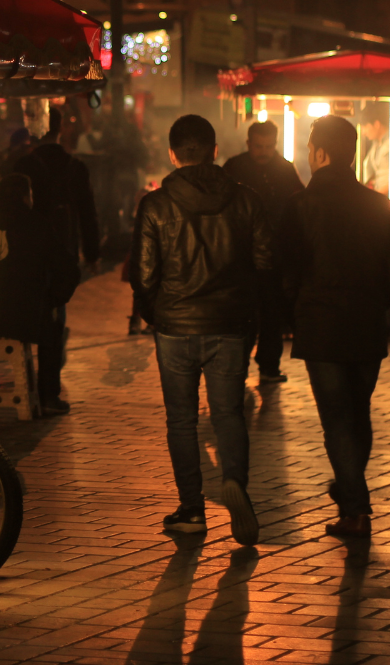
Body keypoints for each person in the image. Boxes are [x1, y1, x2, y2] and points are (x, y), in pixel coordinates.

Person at [129, 114, 270, 545]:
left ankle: (191, 509)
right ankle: (235, 483)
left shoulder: (155, 205)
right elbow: (266, 263)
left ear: (173, 154)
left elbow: (144, 274)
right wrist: (247, 310)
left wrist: (156, 315)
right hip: (230, 324)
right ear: (215, 151)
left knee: (182, 420)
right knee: (228, 413)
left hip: (175, 326)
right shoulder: (246, 200)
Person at [276, 115, 390, 538]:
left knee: (337, 419)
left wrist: (295, 309)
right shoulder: (378, 205)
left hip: (321, 323)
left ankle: (356, 505)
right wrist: (378, 303)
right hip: (367, 323)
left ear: (320, 153)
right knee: (358, 412)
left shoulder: (300, 205)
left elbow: (287, 268)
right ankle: (350, 498)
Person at [0, 173, 80, 415]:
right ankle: (48, 396)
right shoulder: (37, 226)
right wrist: (52, 300)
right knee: (53, 329)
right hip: (28, 314)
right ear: (25, 197)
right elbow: (68, 269)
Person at [224, 118, 304, 382]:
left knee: (271, 313)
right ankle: (244, 366)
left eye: (269, 146)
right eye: (259, 146)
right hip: (243, 255)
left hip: (273, 254)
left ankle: (267, 366)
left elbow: (297, 205)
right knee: (246, 314)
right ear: (249, 143)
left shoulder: (284, 169)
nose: (264, 152)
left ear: (276, 144)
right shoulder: (235, 168)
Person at [15, 105, 101, 274]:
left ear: (36, 130)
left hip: (31, 250)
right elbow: (87, 214)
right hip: (65, 246)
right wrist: (92, 255)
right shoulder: (75, 167)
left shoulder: (24, 165)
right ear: (60, 129)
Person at [360, 103, 389, 194]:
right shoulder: (375, 145)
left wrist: (376, 197)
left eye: (365, 126)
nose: (363, 132)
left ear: (376, 124)